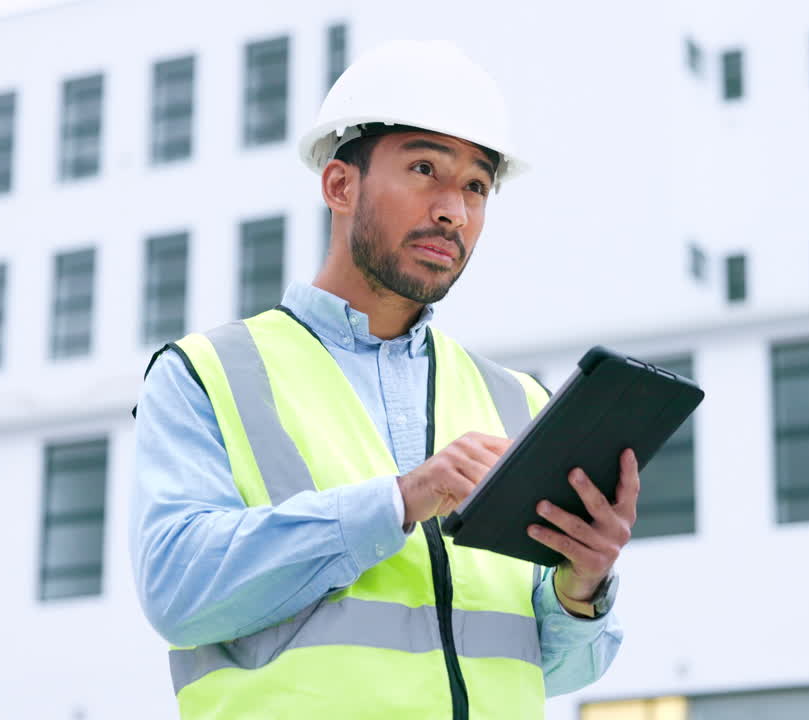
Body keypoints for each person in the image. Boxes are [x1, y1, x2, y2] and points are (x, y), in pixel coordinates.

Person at [130, 39, 640, 719]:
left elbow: (554, 669)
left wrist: (583, 587)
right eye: (425, 168)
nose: (452, 211)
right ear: (340, 185)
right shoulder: (206, 374)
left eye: (476, 187)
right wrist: (400, 500)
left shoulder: (521, 403)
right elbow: (178, 592)